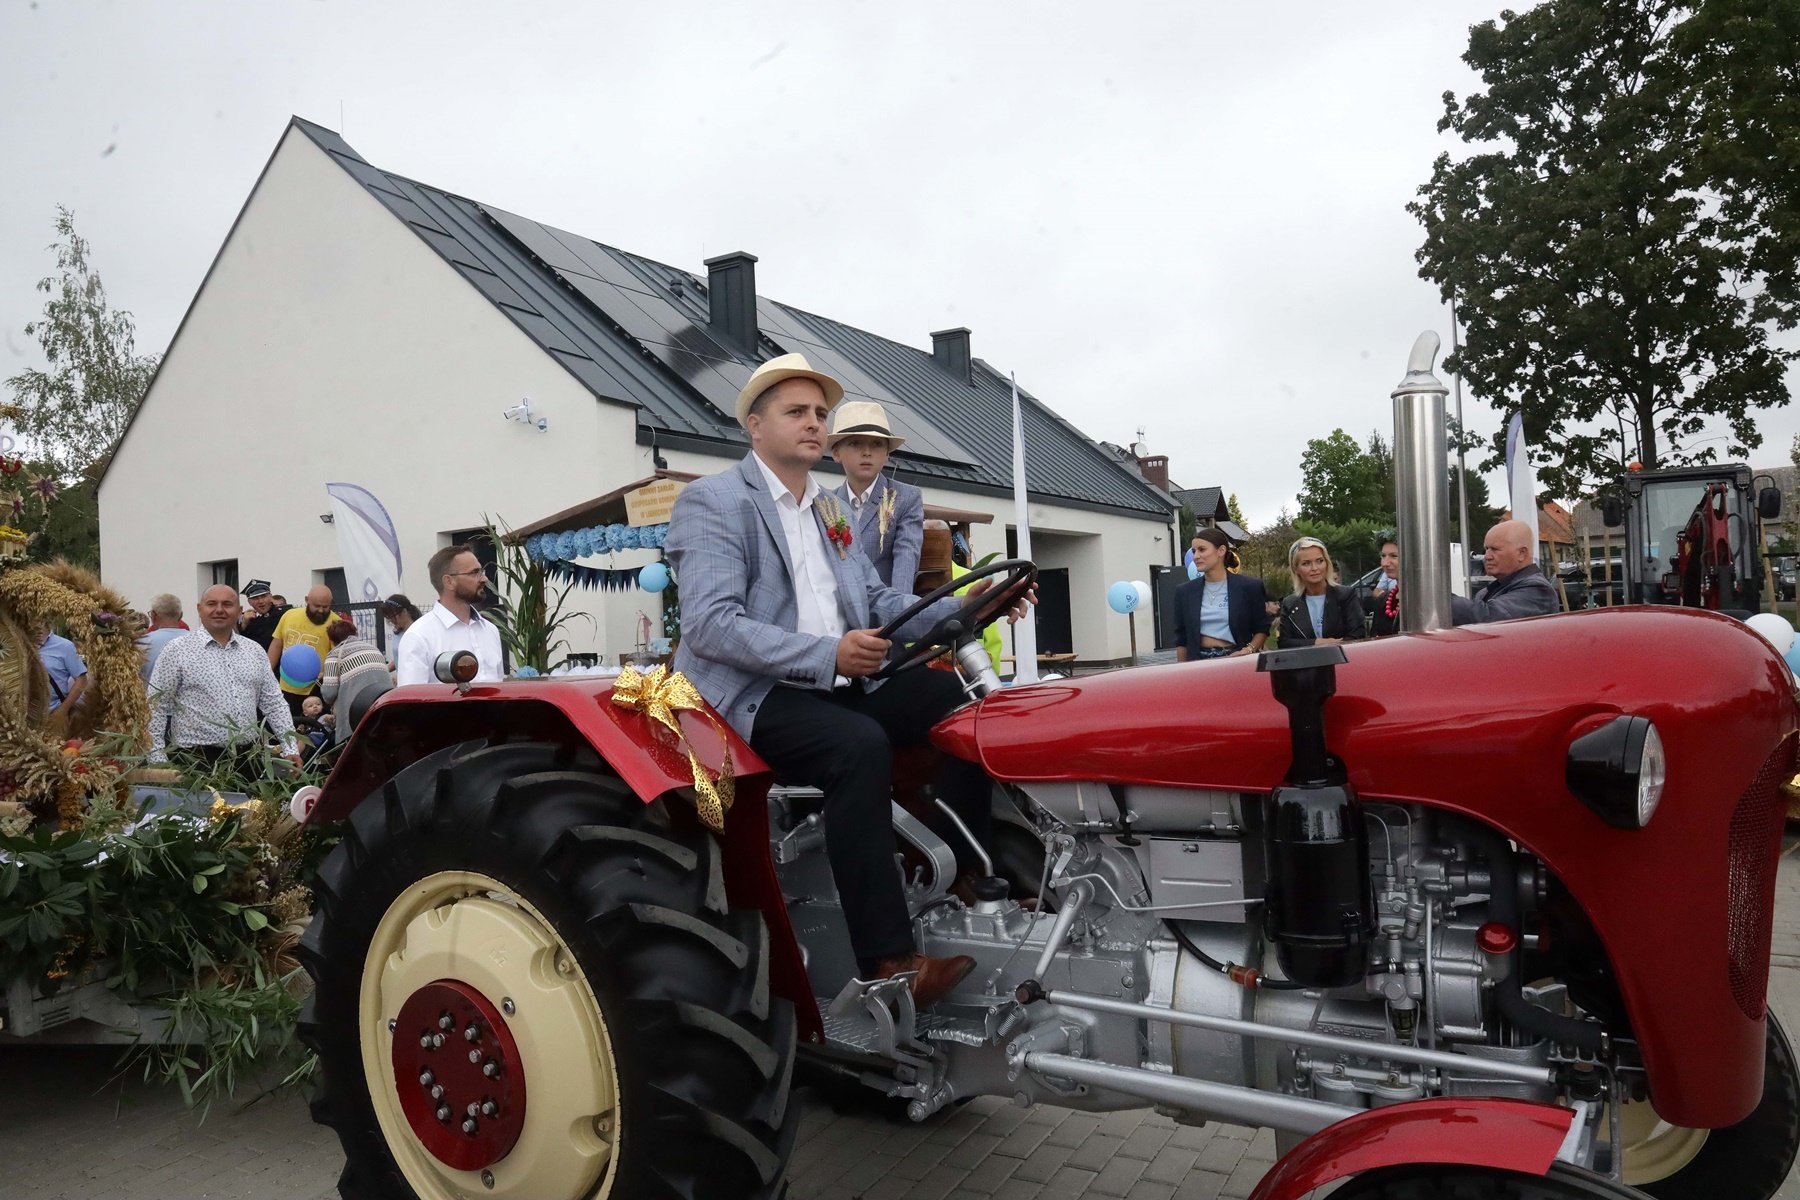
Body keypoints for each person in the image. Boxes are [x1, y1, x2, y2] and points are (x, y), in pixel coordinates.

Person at [666, 351, 1032, 1009]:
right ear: (754, 426)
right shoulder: (713, 500)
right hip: (750, 694)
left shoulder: (831, 512)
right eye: (796, 412)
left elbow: (882, 601)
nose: (814, 424)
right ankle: (890, 962)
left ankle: (956, 871)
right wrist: (827, 655)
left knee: (959, 704)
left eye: (819, 413)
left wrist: (969, 609)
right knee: (856, 744)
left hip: (838, 680)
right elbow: (712, 626)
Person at [146, 585, 299, 770]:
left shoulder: (254, 651)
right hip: (196, 762)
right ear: (199, 609)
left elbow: (274, 703)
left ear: (239, 611)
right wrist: (157, 759)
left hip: (247, 760)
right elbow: (156, 706)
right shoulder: (177, 650)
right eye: (212, 604)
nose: (219, 610)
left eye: (227, 604)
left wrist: (291, 747)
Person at [828, 400, 924, 594]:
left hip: (884, 614)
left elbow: (905, 560)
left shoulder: (906, 498)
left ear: (887, 453)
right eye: (855, 443)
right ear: (836, 453)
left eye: (877, 444)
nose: (867, 452)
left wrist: (897, 616)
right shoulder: (826, 504)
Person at [395, 545, 505, 685]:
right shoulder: (419, 637)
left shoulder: (490, 630)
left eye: (482, 571)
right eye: (475, 572)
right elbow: (410, 702)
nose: (484, 579)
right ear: (449, 581)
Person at [1172, 528, 1270, 660]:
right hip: (1198, 663)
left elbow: (1262, 628)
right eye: (1194, 551)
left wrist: (1249, 650)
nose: (1195, 556)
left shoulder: (1249, 587)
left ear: (1221, 551)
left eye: (1202, 550)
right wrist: (1182, 672)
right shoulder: (1184, 592)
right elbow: (1181, 638)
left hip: (1237, 659)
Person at [1453, 520, 1561, 625]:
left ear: (1521, 553)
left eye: (1495, 549)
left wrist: (1440, 600)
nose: (1487, 556)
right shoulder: (1488, 591)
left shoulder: (1538, 590)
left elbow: (1489, 618)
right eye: (1486, 549)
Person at [1276, 537, 1368, 648]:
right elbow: (1284, 643)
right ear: (1296, 569)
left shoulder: (1346, 596)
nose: (1314, 568)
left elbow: (1358, 636)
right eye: (1306, 563)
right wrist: (1316, 643)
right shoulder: (1289, 603)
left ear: (1327, 563)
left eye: (1320, 561)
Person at [268, 586, 344, 719]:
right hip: (285, 686)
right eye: (317, 606)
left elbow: (339, 659)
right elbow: (276, 645)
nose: (321, 610)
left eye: (326, 607)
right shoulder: (289, 615)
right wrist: (266, 673)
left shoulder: (337, 624)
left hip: (316, 688)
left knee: (314, 733)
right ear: (306, 600)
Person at [320, 618, 393, 740]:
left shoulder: (334, 655)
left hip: (356, 716)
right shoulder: (373, 649)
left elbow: (329, 694)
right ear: (355, 633)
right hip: (384, 708)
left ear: (331, 640)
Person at [33, 622, 88, 714]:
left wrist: (62, 711)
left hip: (53, 712)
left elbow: (81, 680)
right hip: (22, 716)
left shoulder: (65, 646)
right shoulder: (18, 644)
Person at [138, 593, 188, 681]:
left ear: (154, 615)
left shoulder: (142, 642)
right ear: (181, 615)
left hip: (152, 694)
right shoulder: (197, 640)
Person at [237, 580, 286, 650]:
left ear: (270, 597)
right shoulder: (247, 618)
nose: (260, 601)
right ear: (249, 602)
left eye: (263, 596)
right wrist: (244, 625)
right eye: (255, 598)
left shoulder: (280, 614)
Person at [1369, 537, 1402, 637]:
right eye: (1383, 556)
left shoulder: (1436, 603)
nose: (1385, 563)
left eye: (1394, 556)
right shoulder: (1383, 600)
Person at [379, 593, 421, 667]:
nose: (391, 620)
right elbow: (398, 659)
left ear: (404, 611)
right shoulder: (397, 634)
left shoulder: (420, 632)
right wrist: (384, 670)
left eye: (393, 616)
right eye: (388, 617)